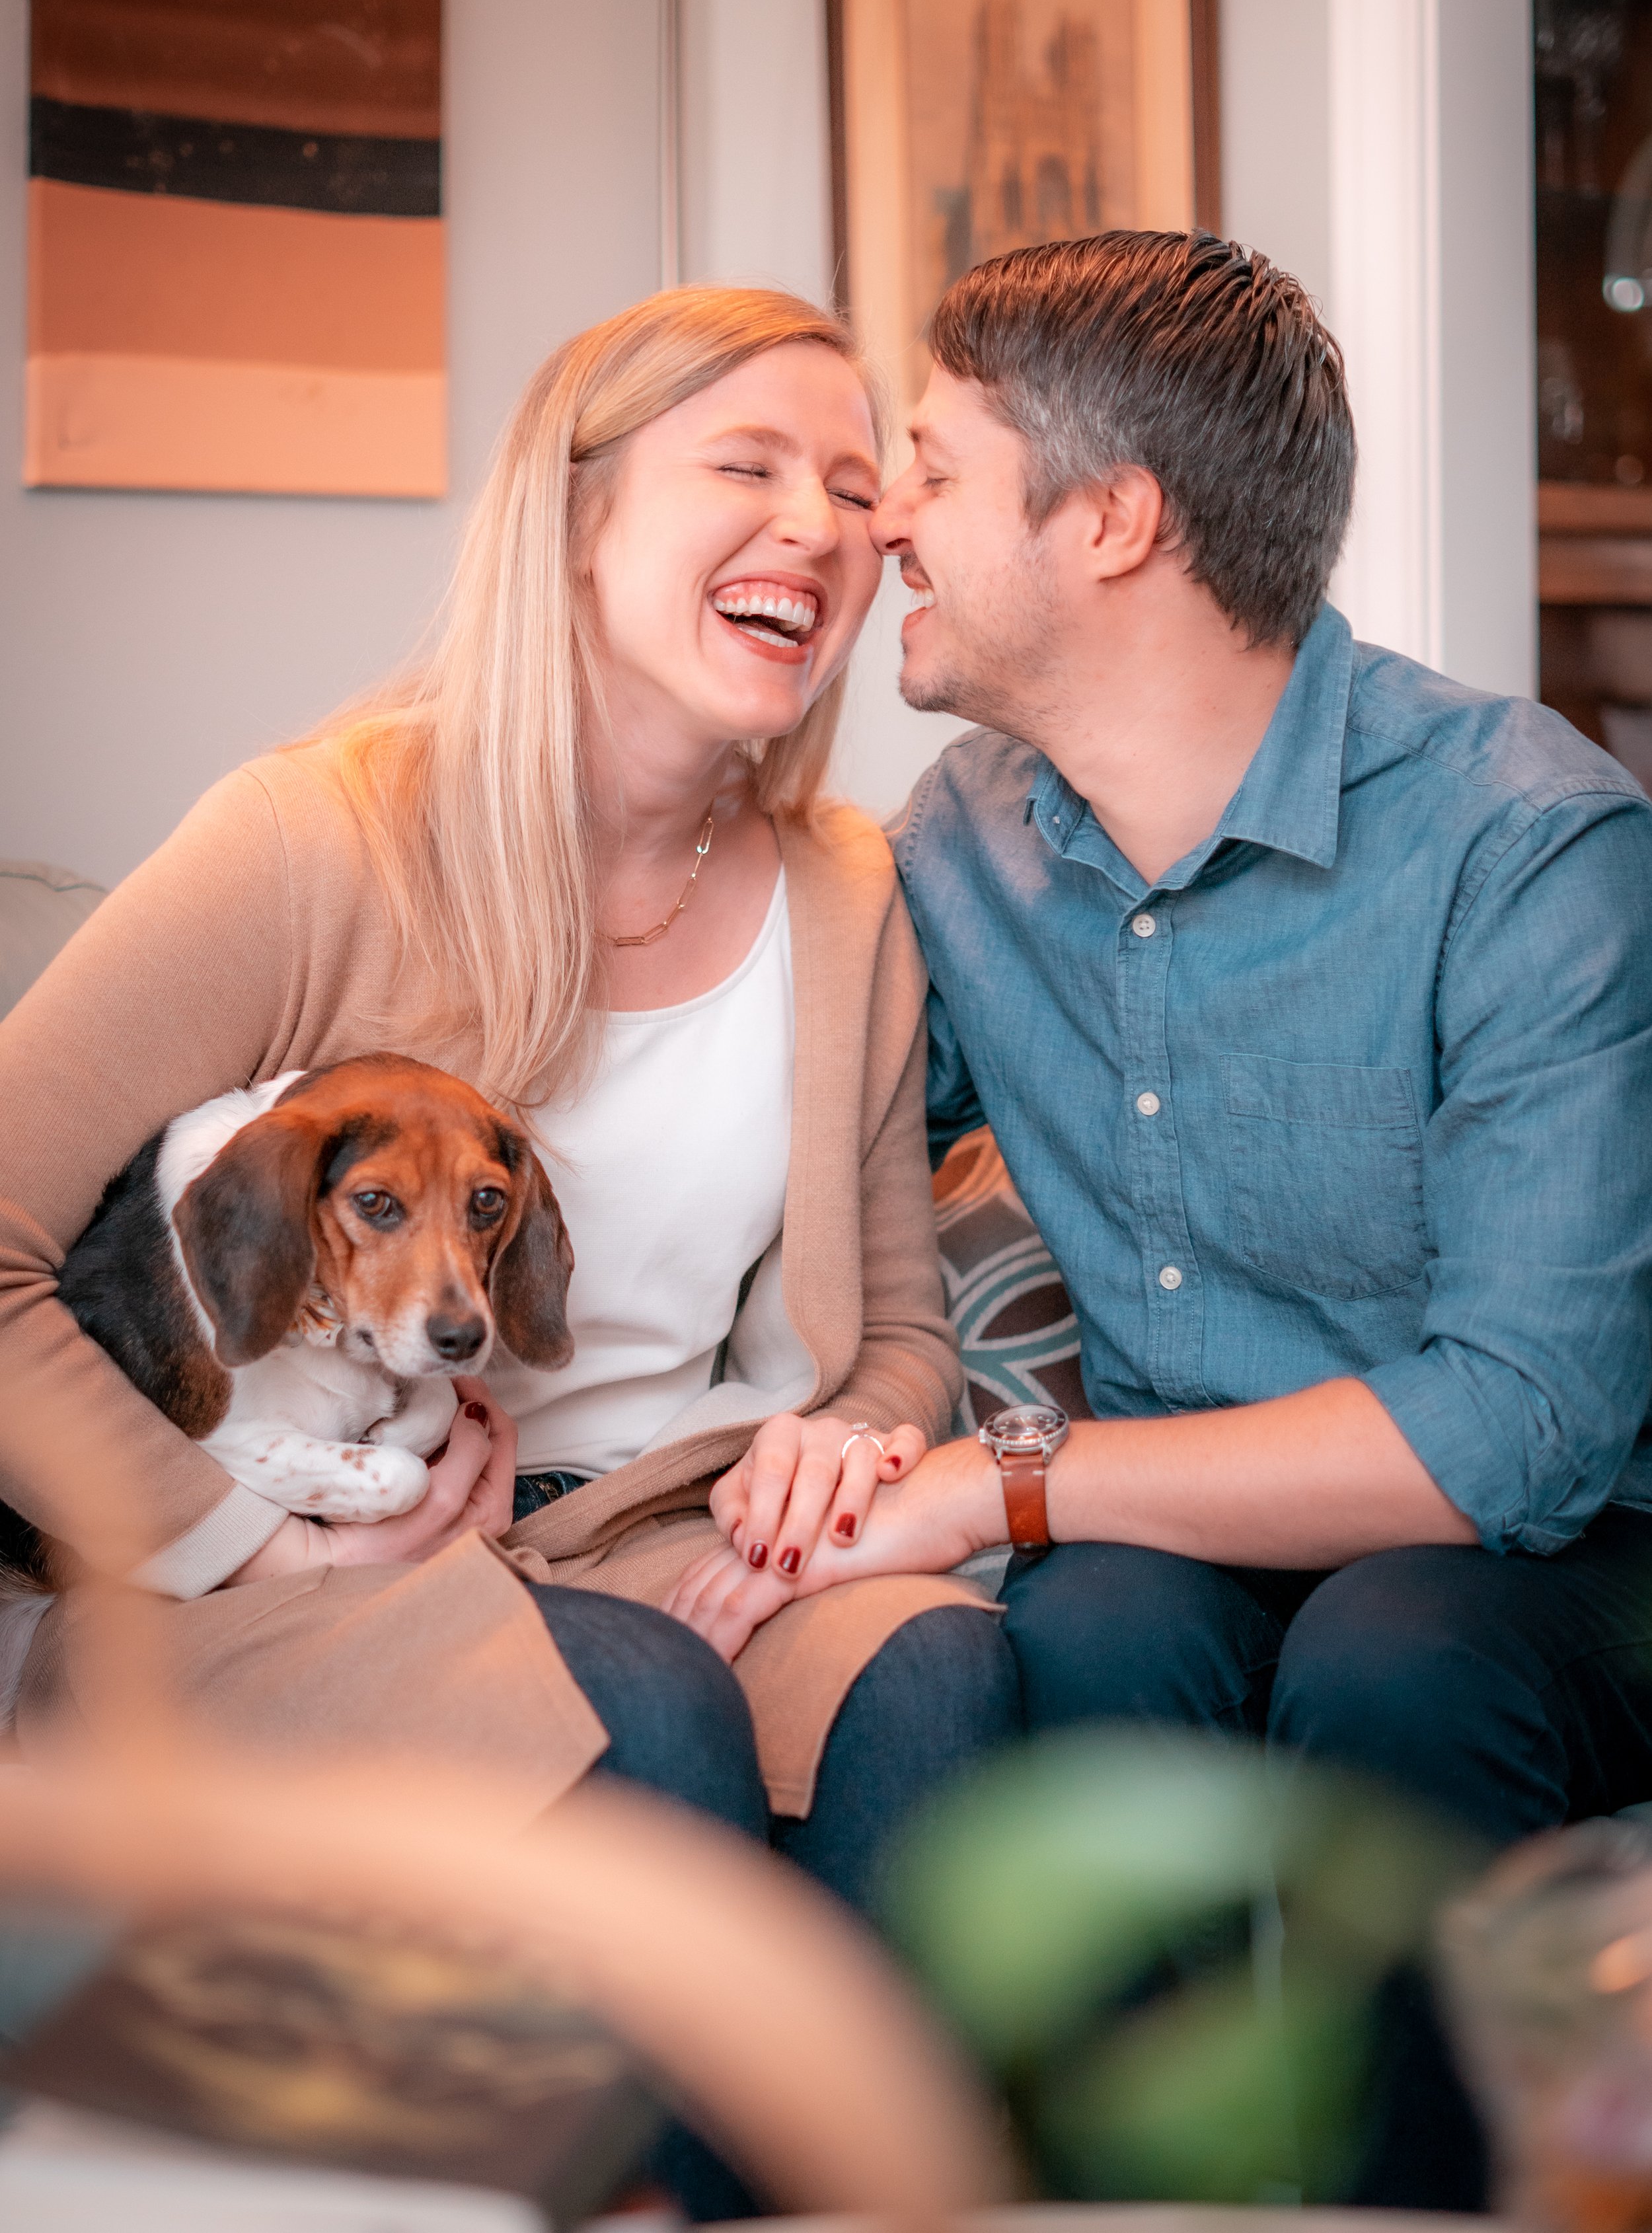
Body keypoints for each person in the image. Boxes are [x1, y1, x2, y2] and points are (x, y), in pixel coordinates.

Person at [669, 231, 1652, 2206]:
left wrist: (998, 1485)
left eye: (927, 466)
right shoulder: (955, 842)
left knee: (1391, 1648)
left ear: (1109, 519)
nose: (883, 520)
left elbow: (1517, 1431)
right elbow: (788, 1142)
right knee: (1096, 1627)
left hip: (1566, 1544)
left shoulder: (1527, 845)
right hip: (1168, 1524)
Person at [0, 284, 1018, 1928]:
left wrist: (825, 1454)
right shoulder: (309, 838)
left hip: (656, 1529)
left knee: (935, 1679)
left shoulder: (846, 895)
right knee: (644, 1713)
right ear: (574, 522)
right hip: (289, 1578)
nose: (815, 528)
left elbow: (896, 1334)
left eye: (851, 486)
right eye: (745, 466)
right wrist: (263, 1541)